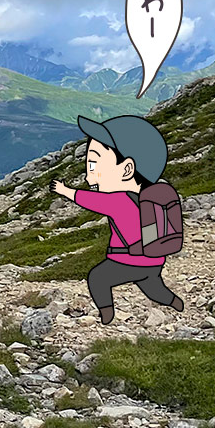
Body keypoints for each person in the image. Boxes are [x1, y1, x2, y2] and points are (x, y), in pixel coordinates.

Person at [51, 114, 185, 324]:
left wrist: (65, 190)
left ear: (127, 169)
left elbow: (89, 199)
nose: (89, 176)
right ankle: (175, 302)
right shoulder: (146, 197)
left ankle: (107, 316)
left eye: (94, 165)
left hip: (127, 260)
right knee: (153, 288)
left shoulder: (118, 201)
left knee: (97, 279)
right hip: (154, 259)